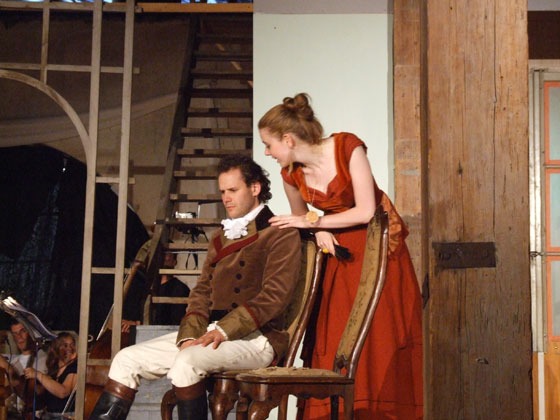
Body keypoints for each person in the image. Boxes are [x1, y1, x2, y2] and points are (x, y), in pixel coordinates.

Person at [87, 154, 302, 420]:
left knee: (186, 362)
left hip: (257, 338)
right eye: (223, 192)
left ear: (255, 188)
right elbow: (201, 292)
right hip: (211, 332)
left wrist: (223, 330)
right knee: (125, 359)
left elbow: (274, 296)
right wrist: (189, 336)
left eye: (233, 190)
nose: (226, 198)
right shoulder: (220, 237)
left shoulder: (280, 233)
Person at [258, 93, 423, 420]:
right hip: (338, 252)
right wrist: (317, 230)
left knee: (380, 333)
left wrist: (315, 223)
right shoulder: (291, 174)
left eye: (268, 144)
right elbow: (301, 219)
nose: (266, 152)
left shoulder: (348, 147)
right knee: (337, 334)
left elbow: (365, 211)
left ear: (288, 139)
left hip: (377, 248)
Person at [0, 320, 48, 418]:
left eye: (22, 331)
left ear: (31, 333)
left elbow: (34, 395)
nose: (19, 336)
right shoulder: (14, 362)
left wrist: (9, 370)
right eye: (15, 333)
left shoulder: (44, 359)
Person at [24, 332, 77, 419]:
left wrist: (38, 375)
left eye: (72, 345)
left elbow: (63, 392)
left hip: (66, 416)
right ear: (56, 348)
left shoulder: (75, 367)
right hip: (49, 415)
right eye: (65, 345)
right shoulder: (53, 368)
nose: (69, 348)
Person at [153, 251, 191, 325]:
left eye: (169, 254)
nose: (166, 257)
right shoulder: (150, 287)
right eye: (164, 254)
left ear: (174, 262)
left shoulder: (181, 288)